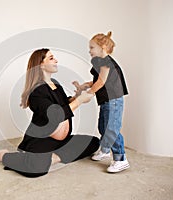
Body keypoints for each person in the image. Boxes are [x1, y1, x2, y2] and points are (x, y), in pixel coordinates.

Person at [0, 48, 100, 178]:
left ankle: (52, 158)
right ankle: (4, 155)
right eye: (51, 58)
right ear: (41, 64)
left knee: (93, 142)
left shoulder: (55, 84)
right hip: (42, 141)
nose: (56, 60)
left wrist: (78, 95)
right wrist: (80, 101)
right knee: (37, 169)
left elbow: (64, 104)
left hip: (60, 143)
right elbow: (56, 114)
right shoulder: (36, 91)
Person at [73, 31, 130, 173]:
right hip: (106, 100)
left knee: (111, 129)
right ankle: (105, 150)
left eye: (92, 47)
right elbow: (97, 81)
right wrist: (83, 86)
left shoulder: (106, 62)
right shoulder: (100, 63)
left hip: (113, 100)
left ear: (103, 47)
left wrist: (90, 93)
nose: (89, 50)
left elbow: (101, 81)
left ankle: (121, 159)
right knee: (103, 126)